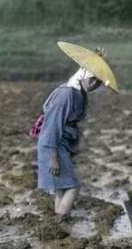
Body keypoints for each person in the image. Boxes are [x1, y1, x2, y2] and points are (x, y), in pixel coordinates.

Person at [36, 42, 117, 222]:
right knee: (73, 186)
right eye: (93, 79)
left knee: (61, 186)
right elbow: (51, 127)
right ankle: (60, 220)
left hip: (63, 142)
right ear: (83, 73)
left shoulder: (80, 93)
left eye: (99, 82)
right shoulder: (66, 95)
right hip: (53, 144)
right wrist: (53, 157)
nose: (95, 84)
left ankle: (57, 220)